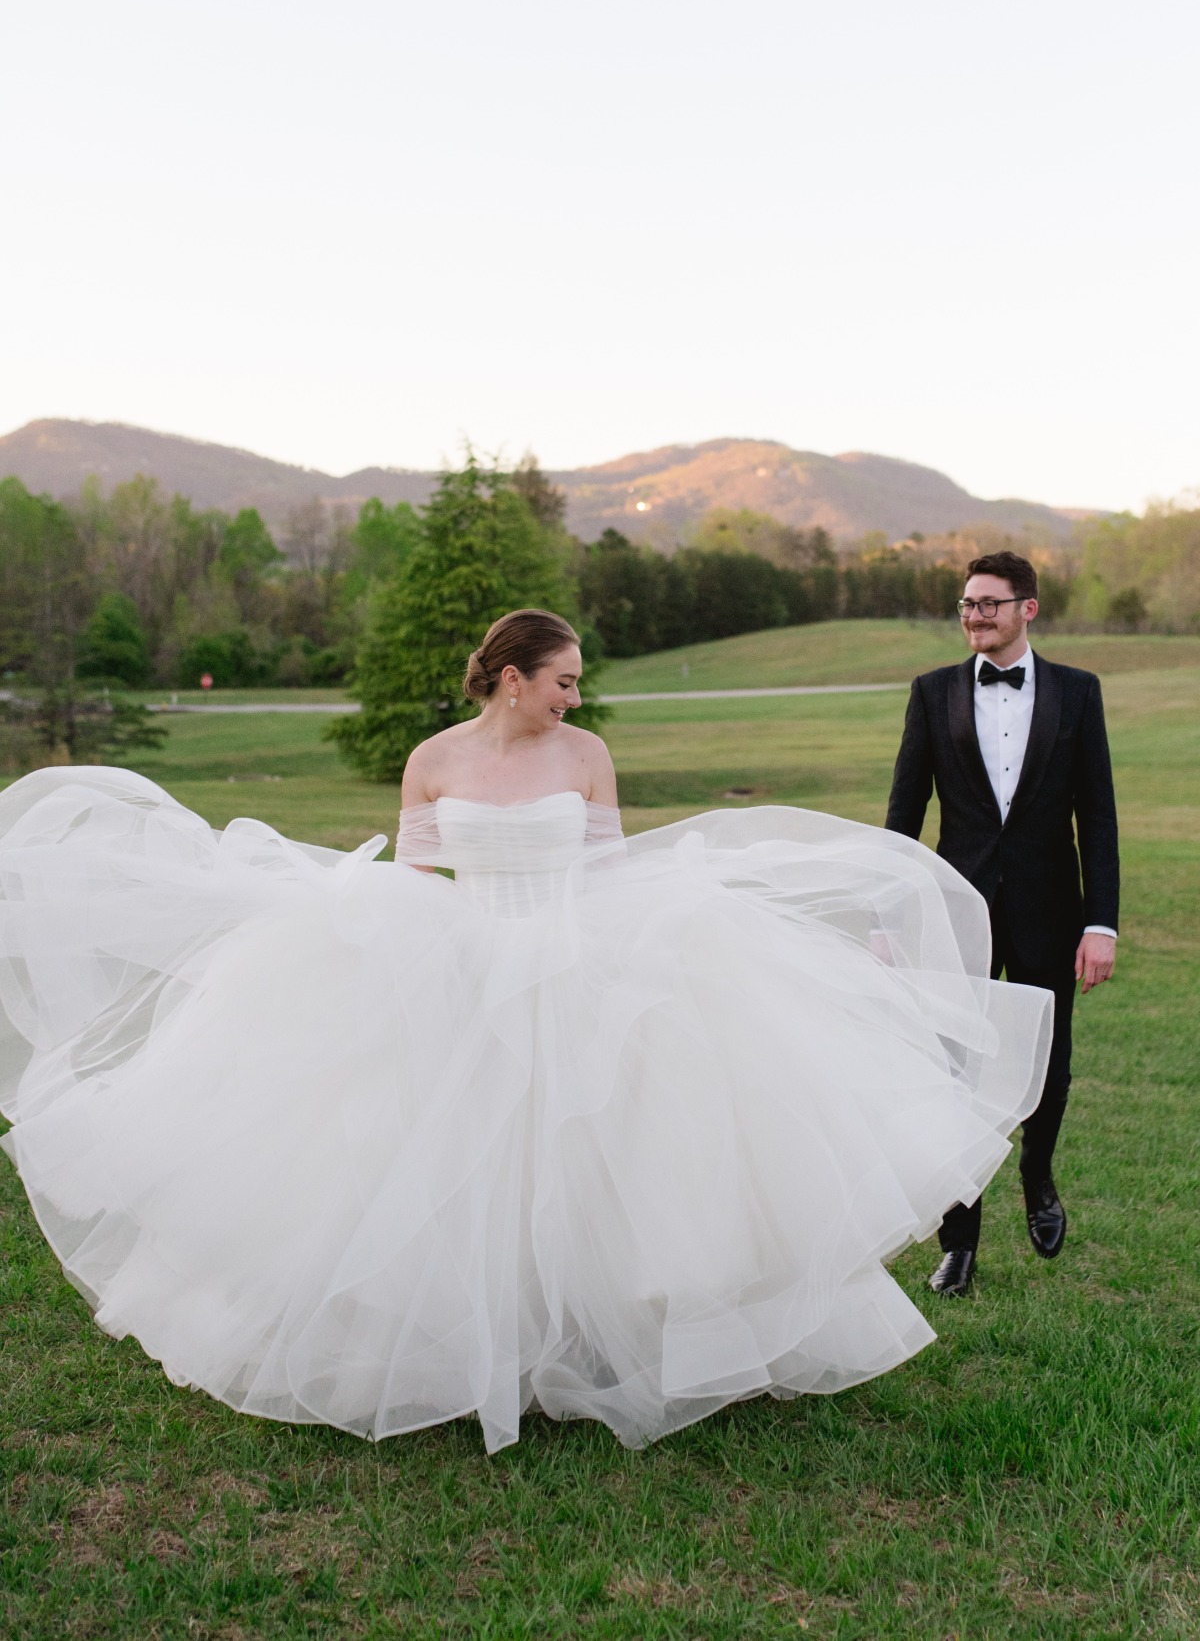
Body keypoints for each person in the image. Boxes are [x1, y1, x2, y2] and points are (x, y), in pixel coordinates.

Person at [0, 608, 1052, 1454]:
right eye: (563, 678)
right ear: (514, 677)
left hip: (576, 951)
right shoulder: (435, 759)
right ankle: (457, 1348)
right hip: (462, 950)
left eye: (577, 681)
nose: (576, 693)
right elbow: (415, 879)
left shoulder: (586, 754)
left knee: (596, 1153)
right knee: (448, 1154)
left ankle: (593, 1341)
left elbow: (607, 873)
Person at [885, 553, 1119, 1297]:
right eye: (966, 604)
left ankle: (1037, 1171)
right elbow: (903, 815)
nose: (975, 614)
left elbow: (1099, 817)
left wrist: (1101, 922)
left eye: (989, 603)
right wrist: (890, 914)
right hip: (961, 912)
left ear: (1029, 609)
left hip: (1052, 910)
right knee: (956, 1069)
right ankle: (960, 1239)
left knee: (1049, 1061)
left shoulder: (1079, 694)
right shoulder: (933, 693)